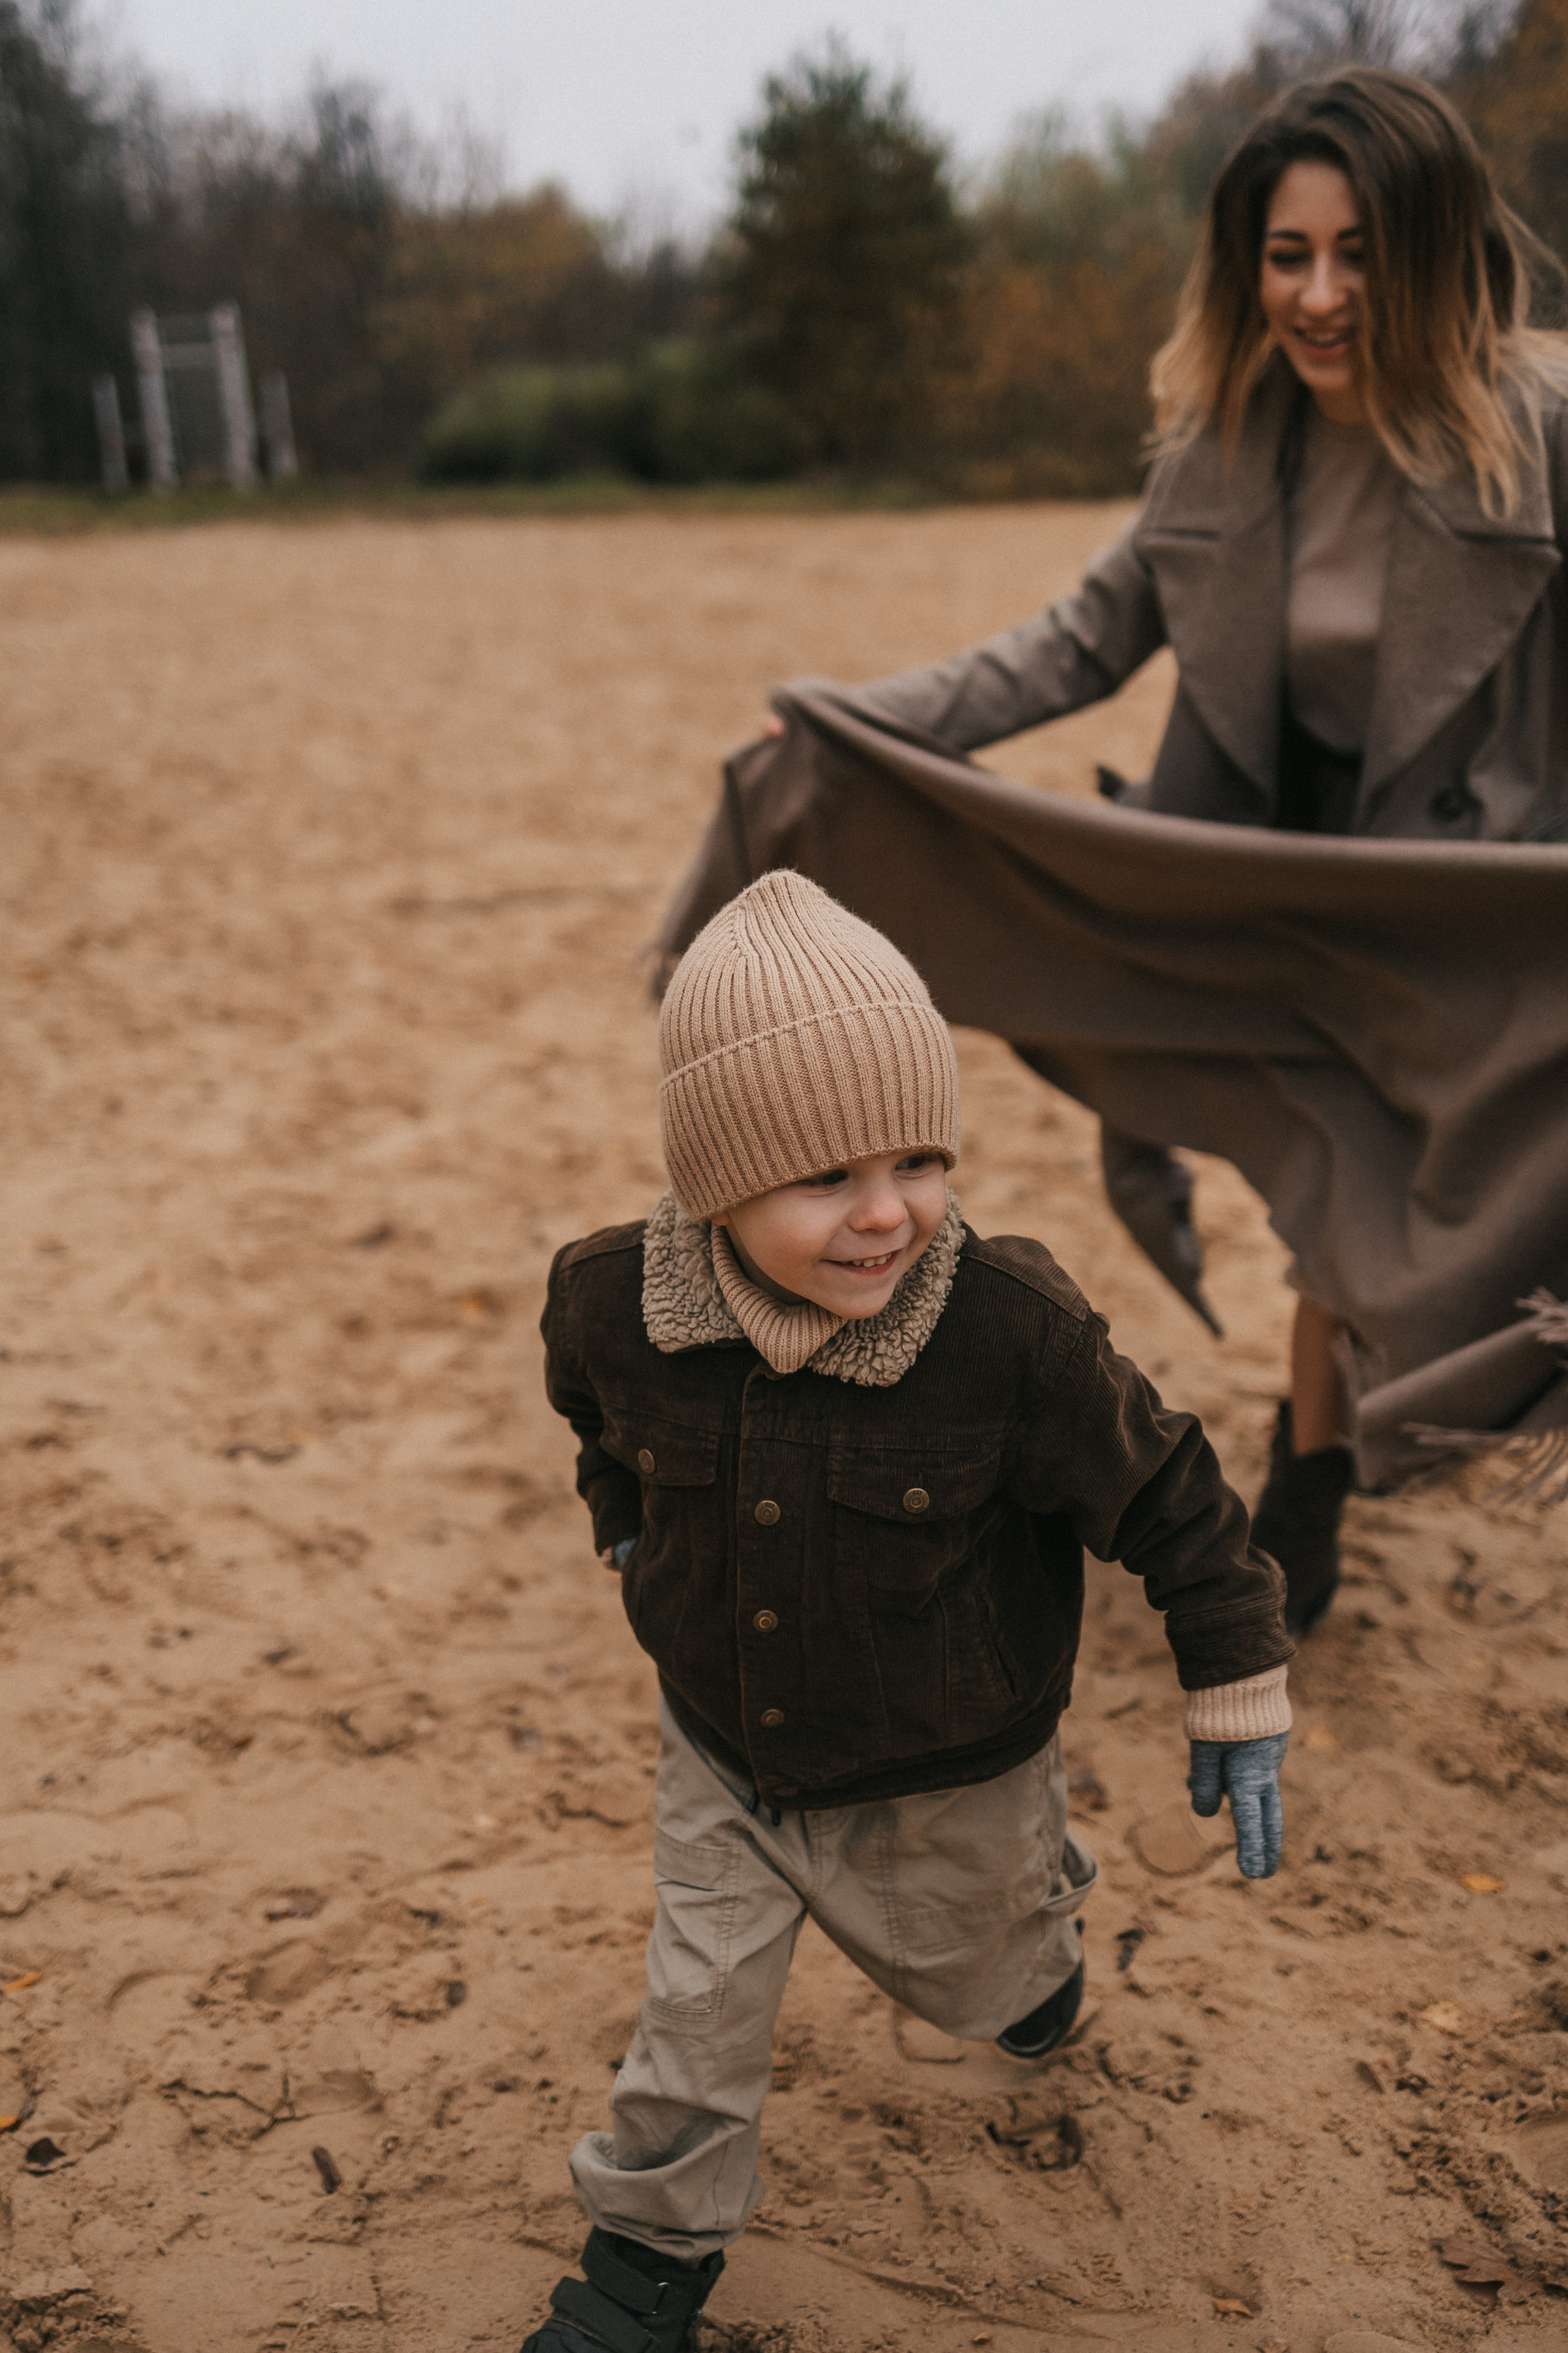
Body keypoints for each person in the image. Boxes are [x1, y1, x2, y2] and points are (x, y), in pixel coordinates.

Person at [816, 66, 1568, 1639]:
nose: (1314, 295)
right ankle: (1312, 1462)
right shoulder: (1224, 445)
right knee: (1325, 1177)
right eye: (1282, 255)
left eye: (1355, 253)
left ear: (1428, 255)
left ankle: (1310, 1465)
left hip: (1463, 906)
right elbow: (1070, 645)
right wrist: (846, 725)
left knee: (1394, 1194)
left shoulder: (1541, 439)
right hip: (1267, 884)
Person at [526, 869, 1292, 2353]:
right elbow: (594, 1421)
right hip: (724, 1746)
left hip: (955, 1752)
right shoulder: (609, 1299)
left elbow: (1168, 1496)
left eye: (918, 1158)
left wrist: (1236, 1678)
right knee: (696, 2016)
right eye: (825, 1179)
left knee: (980, 1978)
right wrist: (624, 1528)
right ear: (714, 1179)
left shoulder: (1012, 1332)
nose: (887, 1213)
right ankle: (640, 2271)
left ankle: (1036, 1943)